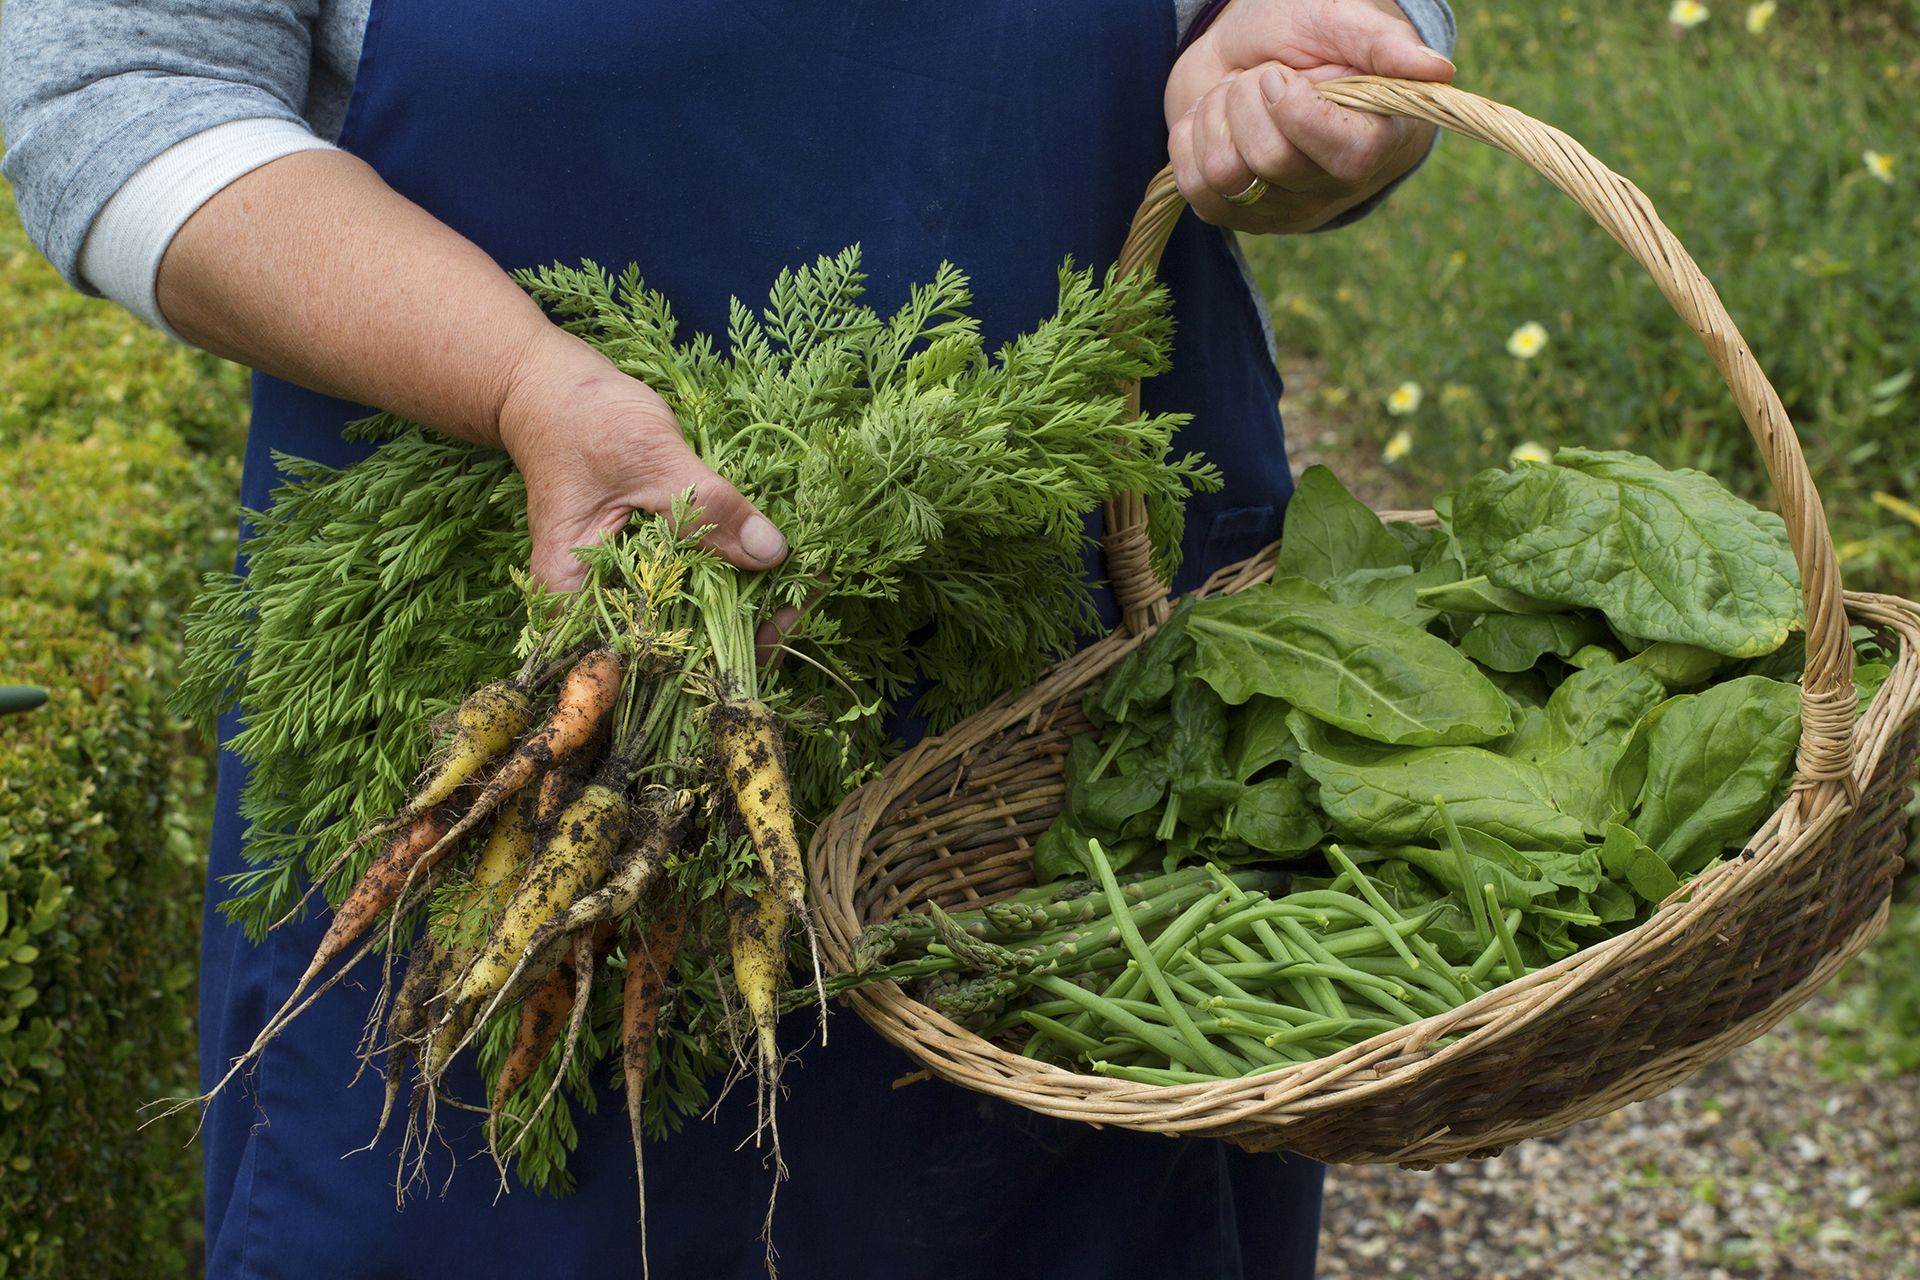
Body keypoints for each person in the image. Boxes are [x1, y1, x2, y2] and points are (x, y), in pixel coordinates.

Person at [0, 1, 1455, 1275]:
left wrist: (1300, 81)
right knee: (463, 1147)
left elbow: (1330, 26)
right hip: (520, 712)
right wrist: (521, 383)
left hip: (1066, 722)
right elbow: (117, 84)